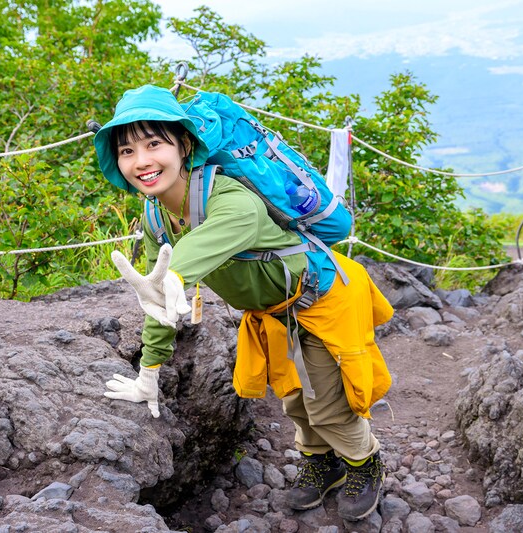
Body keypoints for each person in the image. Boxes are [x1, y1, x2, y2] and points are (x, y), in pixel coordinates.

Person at [93, 84, 394, 522]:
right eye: (126, 150)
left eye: (154, 143)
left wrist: (178, 272)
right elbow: (157, 293)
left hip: (322, 297)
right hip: (272, 312)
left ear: (184, 145)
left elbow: (234, 226)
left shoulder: (227, 194)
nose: (141, 161)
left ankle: (365, 462)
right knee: (294, 396)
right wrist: (150, 370)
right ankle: (322, 462)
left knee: (329, 403)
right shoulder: (156, 216)